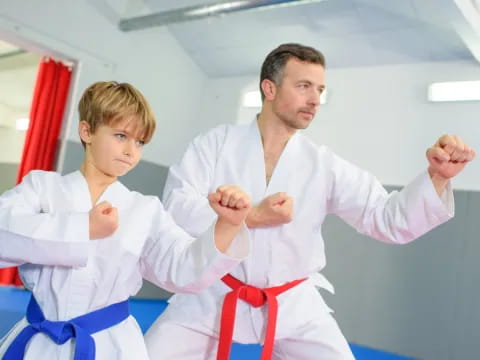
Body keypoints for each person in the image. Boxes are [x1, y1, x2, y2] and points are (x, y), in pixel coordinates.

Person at [144, 43, 476, 360]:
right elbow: (177, 207)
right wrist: (251, 217)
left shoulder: (323, 165)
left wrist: (438, 177)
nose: (315, 99)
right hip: (213, 296)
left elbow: (386, 218)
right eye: (304, 86)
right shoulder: (215, 145)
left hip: (292, 305)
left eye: (320, 90)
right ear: (269, 89)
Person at [0, 81, 253, 360]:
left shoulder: (144, 210)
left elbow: (182, 268)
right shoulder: (41, 187)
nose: (131, 150)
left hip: (111, 344)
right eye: (121, 135)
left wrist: (227, 225)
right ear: (87, 132)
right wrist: (85, 228)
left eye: (140, 141)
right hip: (40, 341)